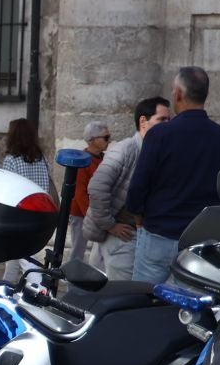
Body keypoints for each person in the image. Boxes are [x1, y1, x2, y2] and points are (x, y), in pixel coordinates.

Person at [124, 67, 220, 284]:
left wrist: (138, 216)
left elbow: (139, 185)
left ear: (179, 93)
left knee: (143, 303)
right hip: (203, 239)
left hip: (159, 234)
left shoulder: (160, 135)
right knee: (193, 306)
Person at [83, 98, 170, 281]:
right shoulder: (125, 149)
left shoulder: (157, 150)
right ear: (143, 122)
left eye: (169, 120)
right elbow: (97, 187)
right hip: (123, 238)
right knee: (123, 295)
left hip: (142, 238)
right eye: (162, 120)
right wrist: (110, 225)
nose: (168, 125)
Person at [67, 120, 112, 262]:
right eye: (105, 137)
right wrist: (92, 214)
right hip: (81, 213)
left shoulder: (103, 158)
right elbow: (79, 193)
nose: (108, 140)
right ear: (92, 140)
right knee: (78, 249)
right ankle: (71, 279)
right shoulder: (83, 161)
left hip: (97, 212)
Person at [0, 118, 51, 193]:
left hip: (21, 203)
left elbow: (6, 189)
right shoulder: (43, 159)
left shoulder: (11, 160)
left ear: (13, 137)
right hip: (41, 203)